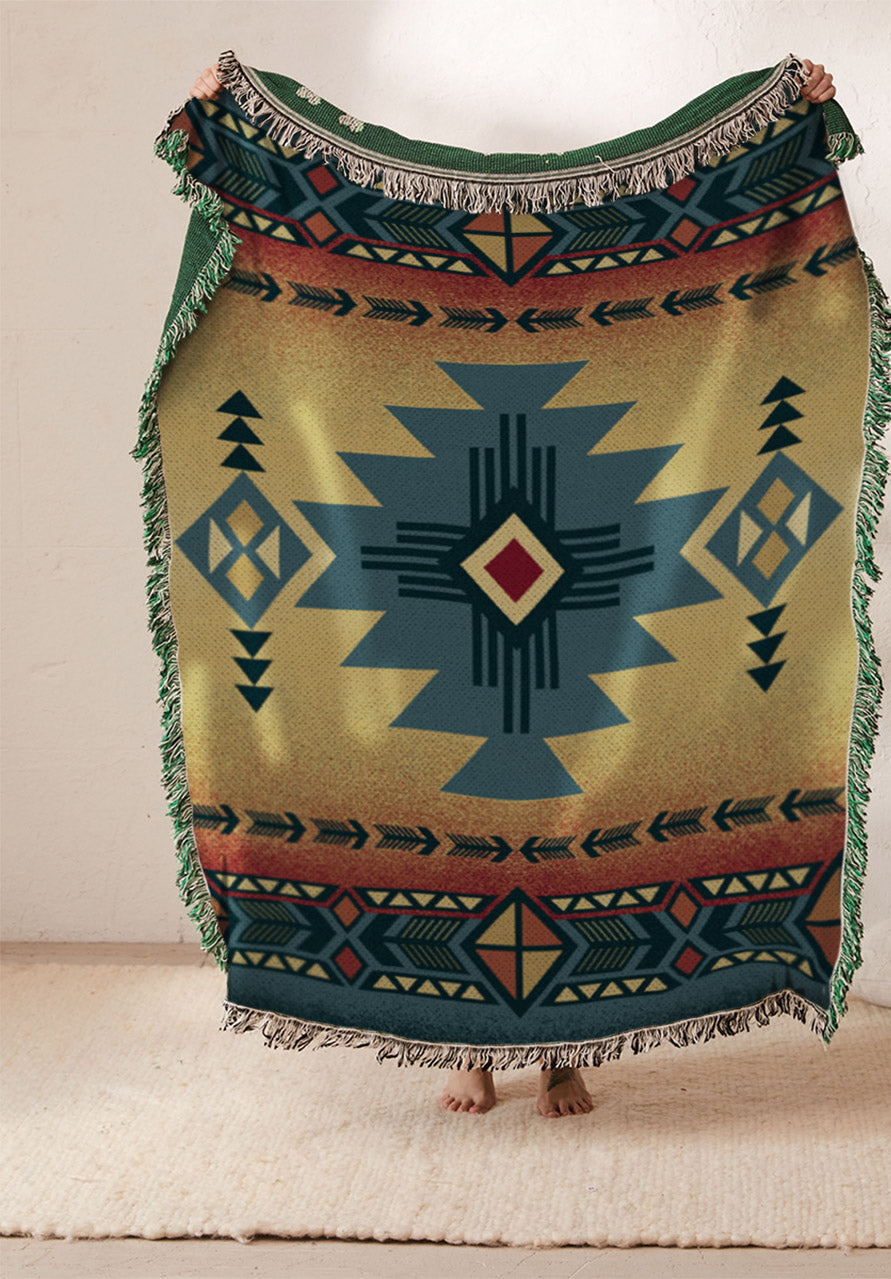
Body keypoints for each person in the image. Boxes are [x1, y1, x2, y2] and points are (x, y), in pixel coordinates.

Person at [185, 56, 836, 1118]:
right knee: (450, 804)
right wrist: (236, 122)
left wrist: (786, 117)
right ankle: (468, 1048)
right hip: (438, 612)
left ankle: (566, 1051)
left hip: (582, 611)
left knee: (580, 808)